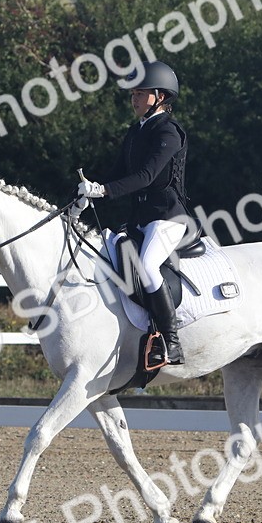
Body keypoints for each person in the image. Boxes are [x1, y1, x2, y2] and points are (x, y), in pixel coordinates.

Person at [77, 60, 189, 365]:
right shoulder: (137, 130)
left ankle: (171, 341)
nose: (134, 98)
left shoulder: (169, 132)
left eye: (141, 93)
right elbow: (117, 172)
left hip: (168, 218)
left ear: (160, 97)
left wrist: (105, 191)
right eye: (133, 93)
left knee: (148, 266)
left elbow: (146, 176)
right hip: (140, 219)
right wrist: (89, 191)